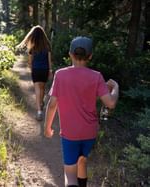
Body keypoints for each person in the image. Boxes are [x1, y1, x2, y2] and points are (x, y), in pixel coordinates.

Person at [44, 36, 119, 187]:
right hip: (89, 132)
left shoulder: (60, 74)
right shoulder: (96, 76)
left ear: (70, 54)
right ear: (90, 56)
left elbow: (52, 104)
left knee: (70, 174)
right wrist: (116, 87)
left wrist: (47, 127)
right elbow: (110, 103)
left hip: (70, 134)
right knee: (82, 161)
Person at [17, 25, 53, 121]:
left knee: (37, 89)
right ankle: (41, 103)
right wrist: (50, 71)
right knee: (42, 88)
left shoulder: (32, 48)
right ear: (43, 35)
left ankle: (39, 111)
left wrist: (31, 68)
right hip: (45, 70)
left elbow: (30, 61)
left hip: (36, 70)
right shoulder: (47, 46)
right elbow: (49, 60)